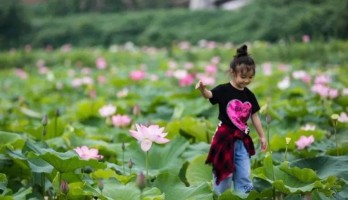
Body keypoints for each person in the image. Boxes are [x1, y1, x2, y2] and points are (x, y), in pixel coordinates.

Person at [196, 44, 267, 195]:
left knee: (244, 174)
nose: (247, 80)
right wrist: (203, 90)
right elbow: (210, 95)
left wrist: (262, 136)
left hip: (242, 139)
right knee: (225, 175)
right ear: (232, 72)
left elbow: (255, 116)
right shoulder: (223, 90)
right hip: (224, 138)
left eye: (250, 77)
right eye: (243, 77)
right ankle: (220, 197)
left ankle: (245, 196)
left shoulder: (249, 95)